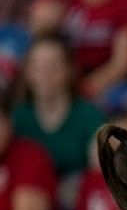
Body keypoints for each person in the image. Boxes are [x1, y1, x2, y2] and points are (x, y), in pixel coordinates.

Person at [11, 32, 105, 180]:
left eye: (53, 66)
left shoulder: (90, 116)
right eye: (37, 66)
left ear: (70, 70)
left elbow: (98, 170)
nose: (44, 74)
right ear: (27, 72)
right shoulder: (17, 117)